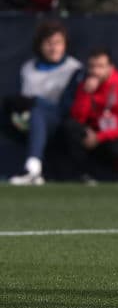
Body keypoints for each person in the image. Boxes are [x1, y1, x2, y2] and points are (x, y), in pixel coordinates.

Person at [4, 20, 82, 185]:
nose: (53, 48)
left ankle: (33, 168)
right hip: (30, 122)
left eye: (58, 43)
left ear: (65, 44)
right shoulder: (28, 68)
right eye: (48, 43)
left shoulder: (74, 68)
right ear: (39, 45)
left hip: (59, 124)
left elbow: (67, 108)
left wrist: (36, 102)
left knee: (37, 111)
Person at [62, 47, 118, 181]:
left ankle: (116, 171)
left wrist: (100, 137)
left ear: (111, 68)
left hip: (115, 138)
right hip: (94, 134)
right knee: (69, 127)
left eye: (101, 66)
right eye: (92, 66)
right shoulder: (85, 86)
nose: (95, 71)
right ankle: (83, 174)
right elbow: (78, 118)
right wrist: (86, 94)